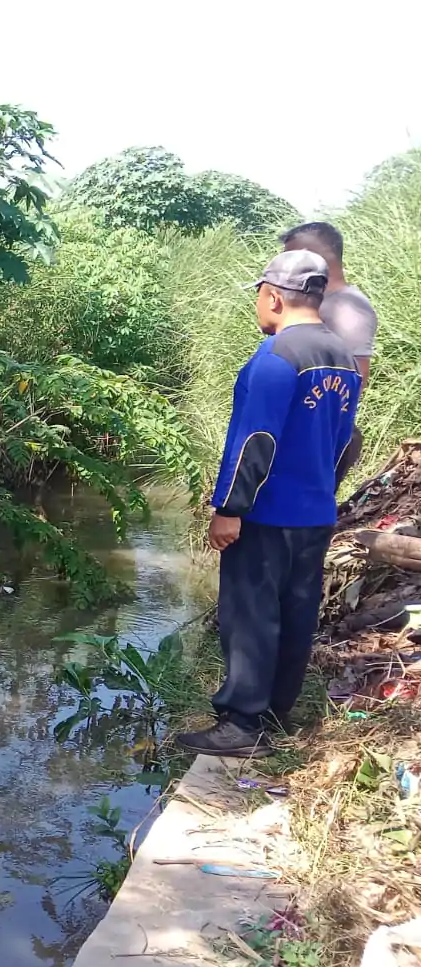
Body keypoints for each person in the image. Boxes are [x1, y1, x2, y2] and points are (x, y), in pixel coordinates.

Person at [177, 250, 362, 757]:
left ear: (274, 296)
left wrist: (229, 508)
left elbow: (255, 440)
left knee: (251, 612)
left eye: (259, 296)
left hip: (266, 513)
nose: (258, 307)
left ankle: (241, 725)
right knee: (296, 610)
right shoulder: (342, 358)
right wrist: (324, 489)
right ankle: (278, 711)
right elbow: (347, 441)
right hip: (315, 513)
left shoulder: (276, 358)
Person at [280, 222, 376, 480]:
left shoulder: (348, 307)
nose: (286, 267)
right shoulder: (316, 301)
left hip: (319, 436)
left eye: (291, 257)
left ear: (314, 257)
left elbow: (355, 378)